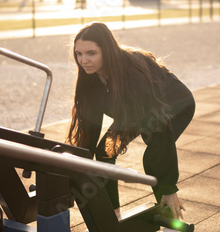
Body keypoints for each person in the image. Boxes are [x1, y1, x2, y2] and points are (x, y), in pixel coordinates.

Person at [66, 22, 195, 220]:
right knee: (104, 153)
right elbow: (90, 127)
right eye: (79, 54)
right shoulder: (89, 78)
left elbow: (159, 129)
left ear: (106, 51)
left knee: (152, 157)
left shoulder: (133, 73)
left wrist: (168, 186)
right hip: (131, 112)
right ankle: (112, 215)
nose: (84, 61)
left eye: (91, 53)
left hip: (174, 106)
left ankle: (170, 214)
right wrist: (79, 166)